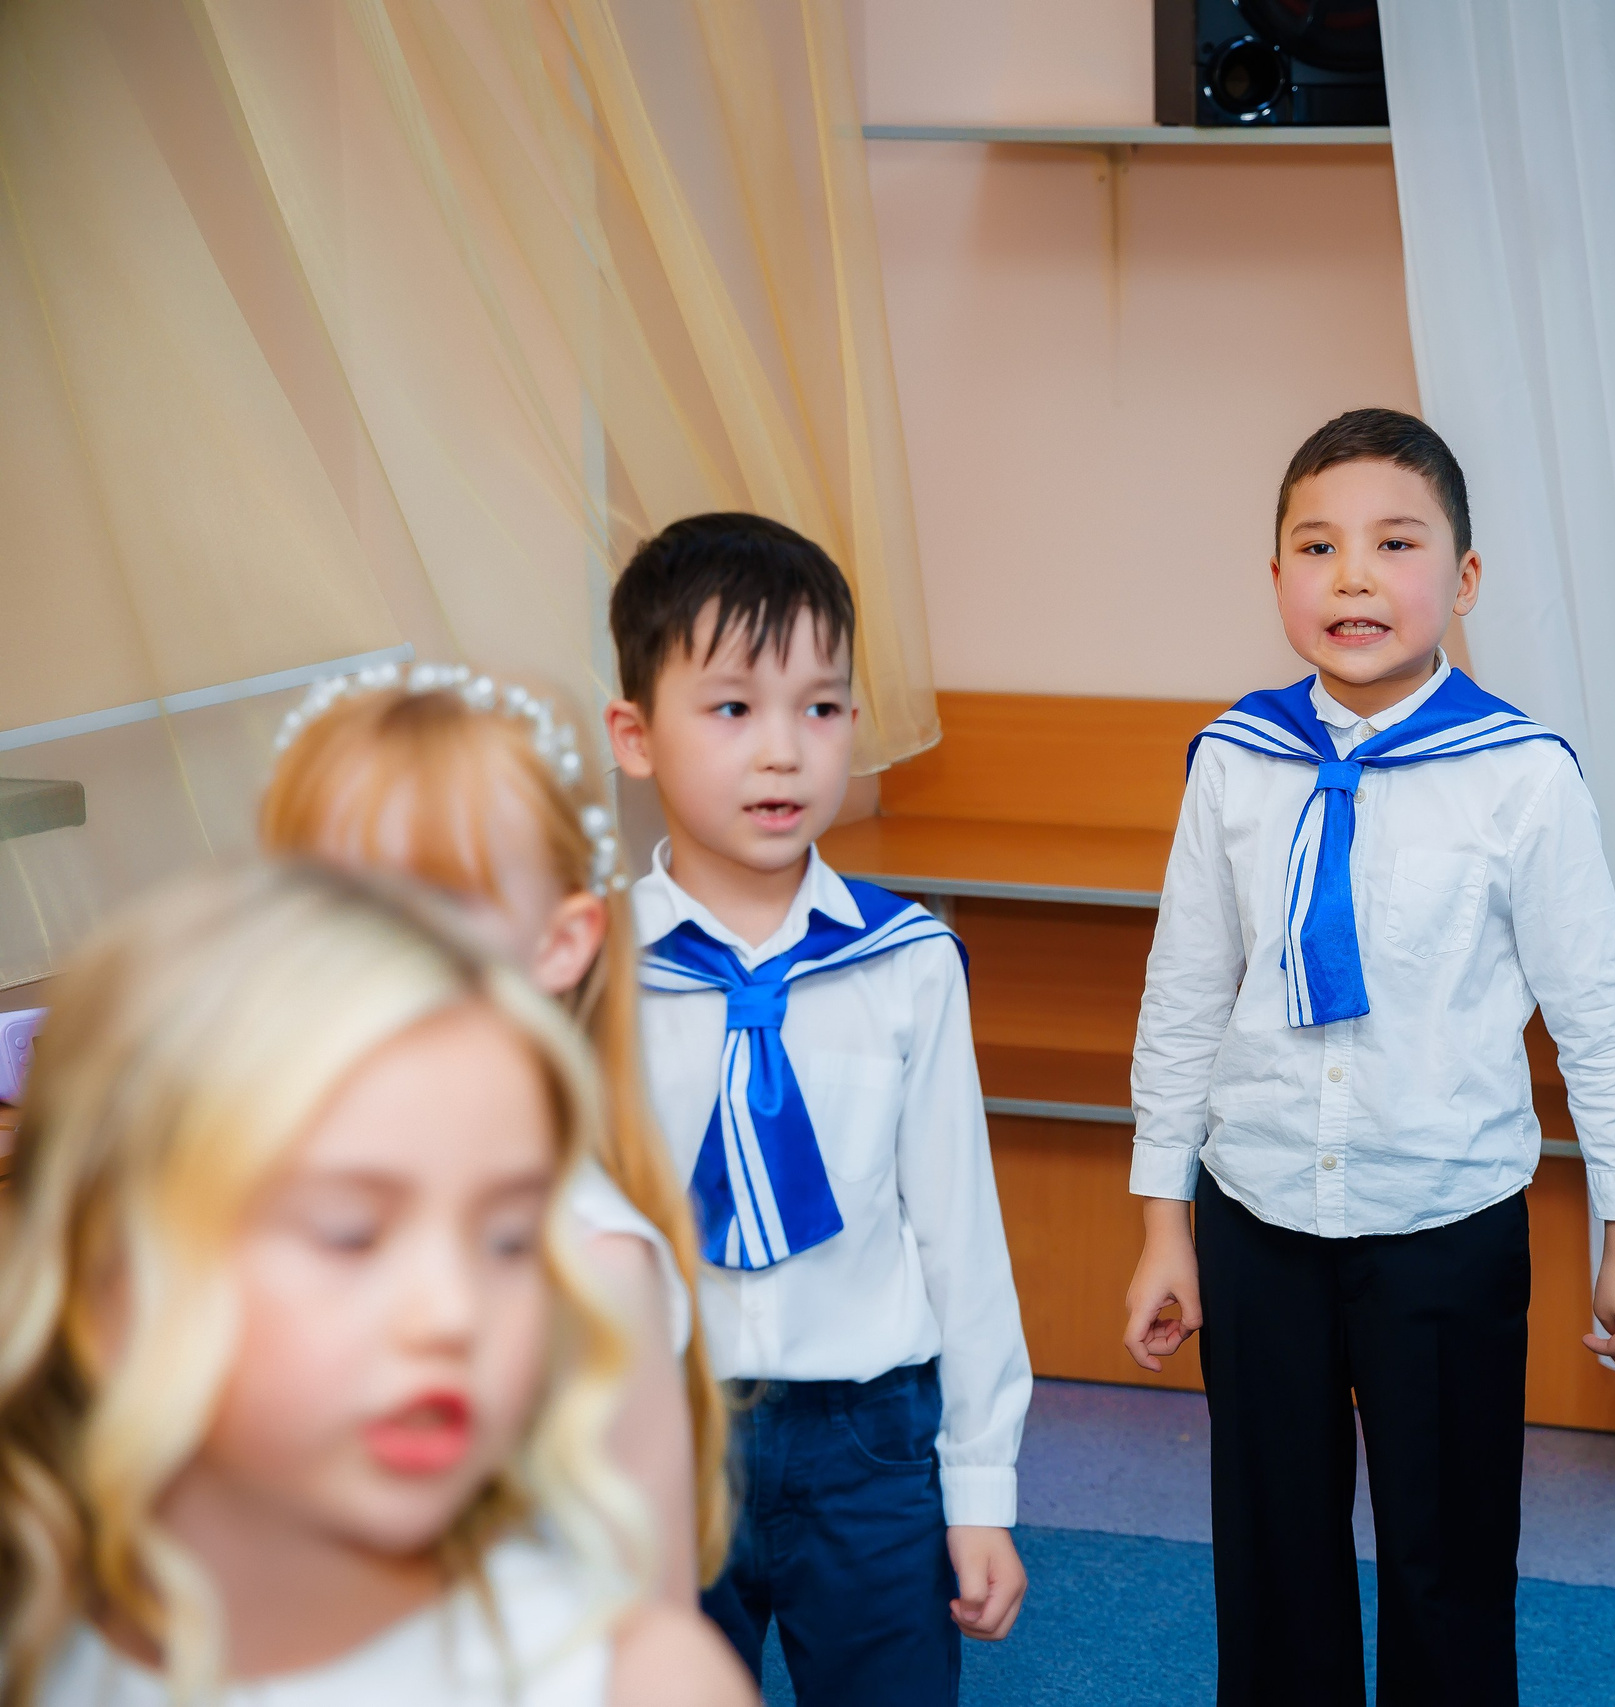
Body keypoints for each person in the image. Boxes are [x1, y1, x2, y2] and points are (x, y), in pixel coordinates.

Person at [1120, 408, 1615, 1705]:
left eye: (1395, 543)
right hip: (1257, 1213)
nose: (1354, 577)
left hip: (1445, 1221)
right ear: (1276, 578)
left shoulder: (1522, 776)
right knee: (1273, 1563)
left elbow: (1598, 1015)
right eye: (1318, 546)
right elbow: (1185, 994)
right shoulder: (1235, 762)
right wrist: (1162, 1223)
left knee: (1449, 1565)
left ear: (1464, 578)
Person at [0, 861, 753, 1707]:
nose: (455, 1313)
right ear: (112, 1282)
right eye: (351, 1232)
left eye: (509, 1241)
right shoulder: (34, 1649)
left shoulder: (641, 1681)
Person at [603, 512, 1031, 1701]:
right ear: (635, 736)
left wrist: (980, 1491)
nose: (784, 752)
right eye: (733, 708)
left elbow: (959, 1235)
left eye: (823, 707)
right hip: (657, 1433)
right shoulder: (589, 975)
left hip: (871, 1446)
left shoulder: (908, 961)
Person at [261, 662, 722, 1603]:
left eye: (433, 896)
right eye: (330, 896)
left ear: (559, 942)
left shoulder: (592, 1264)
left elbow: (653, 1619)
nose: (368, 942)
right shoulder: (250, 1201)